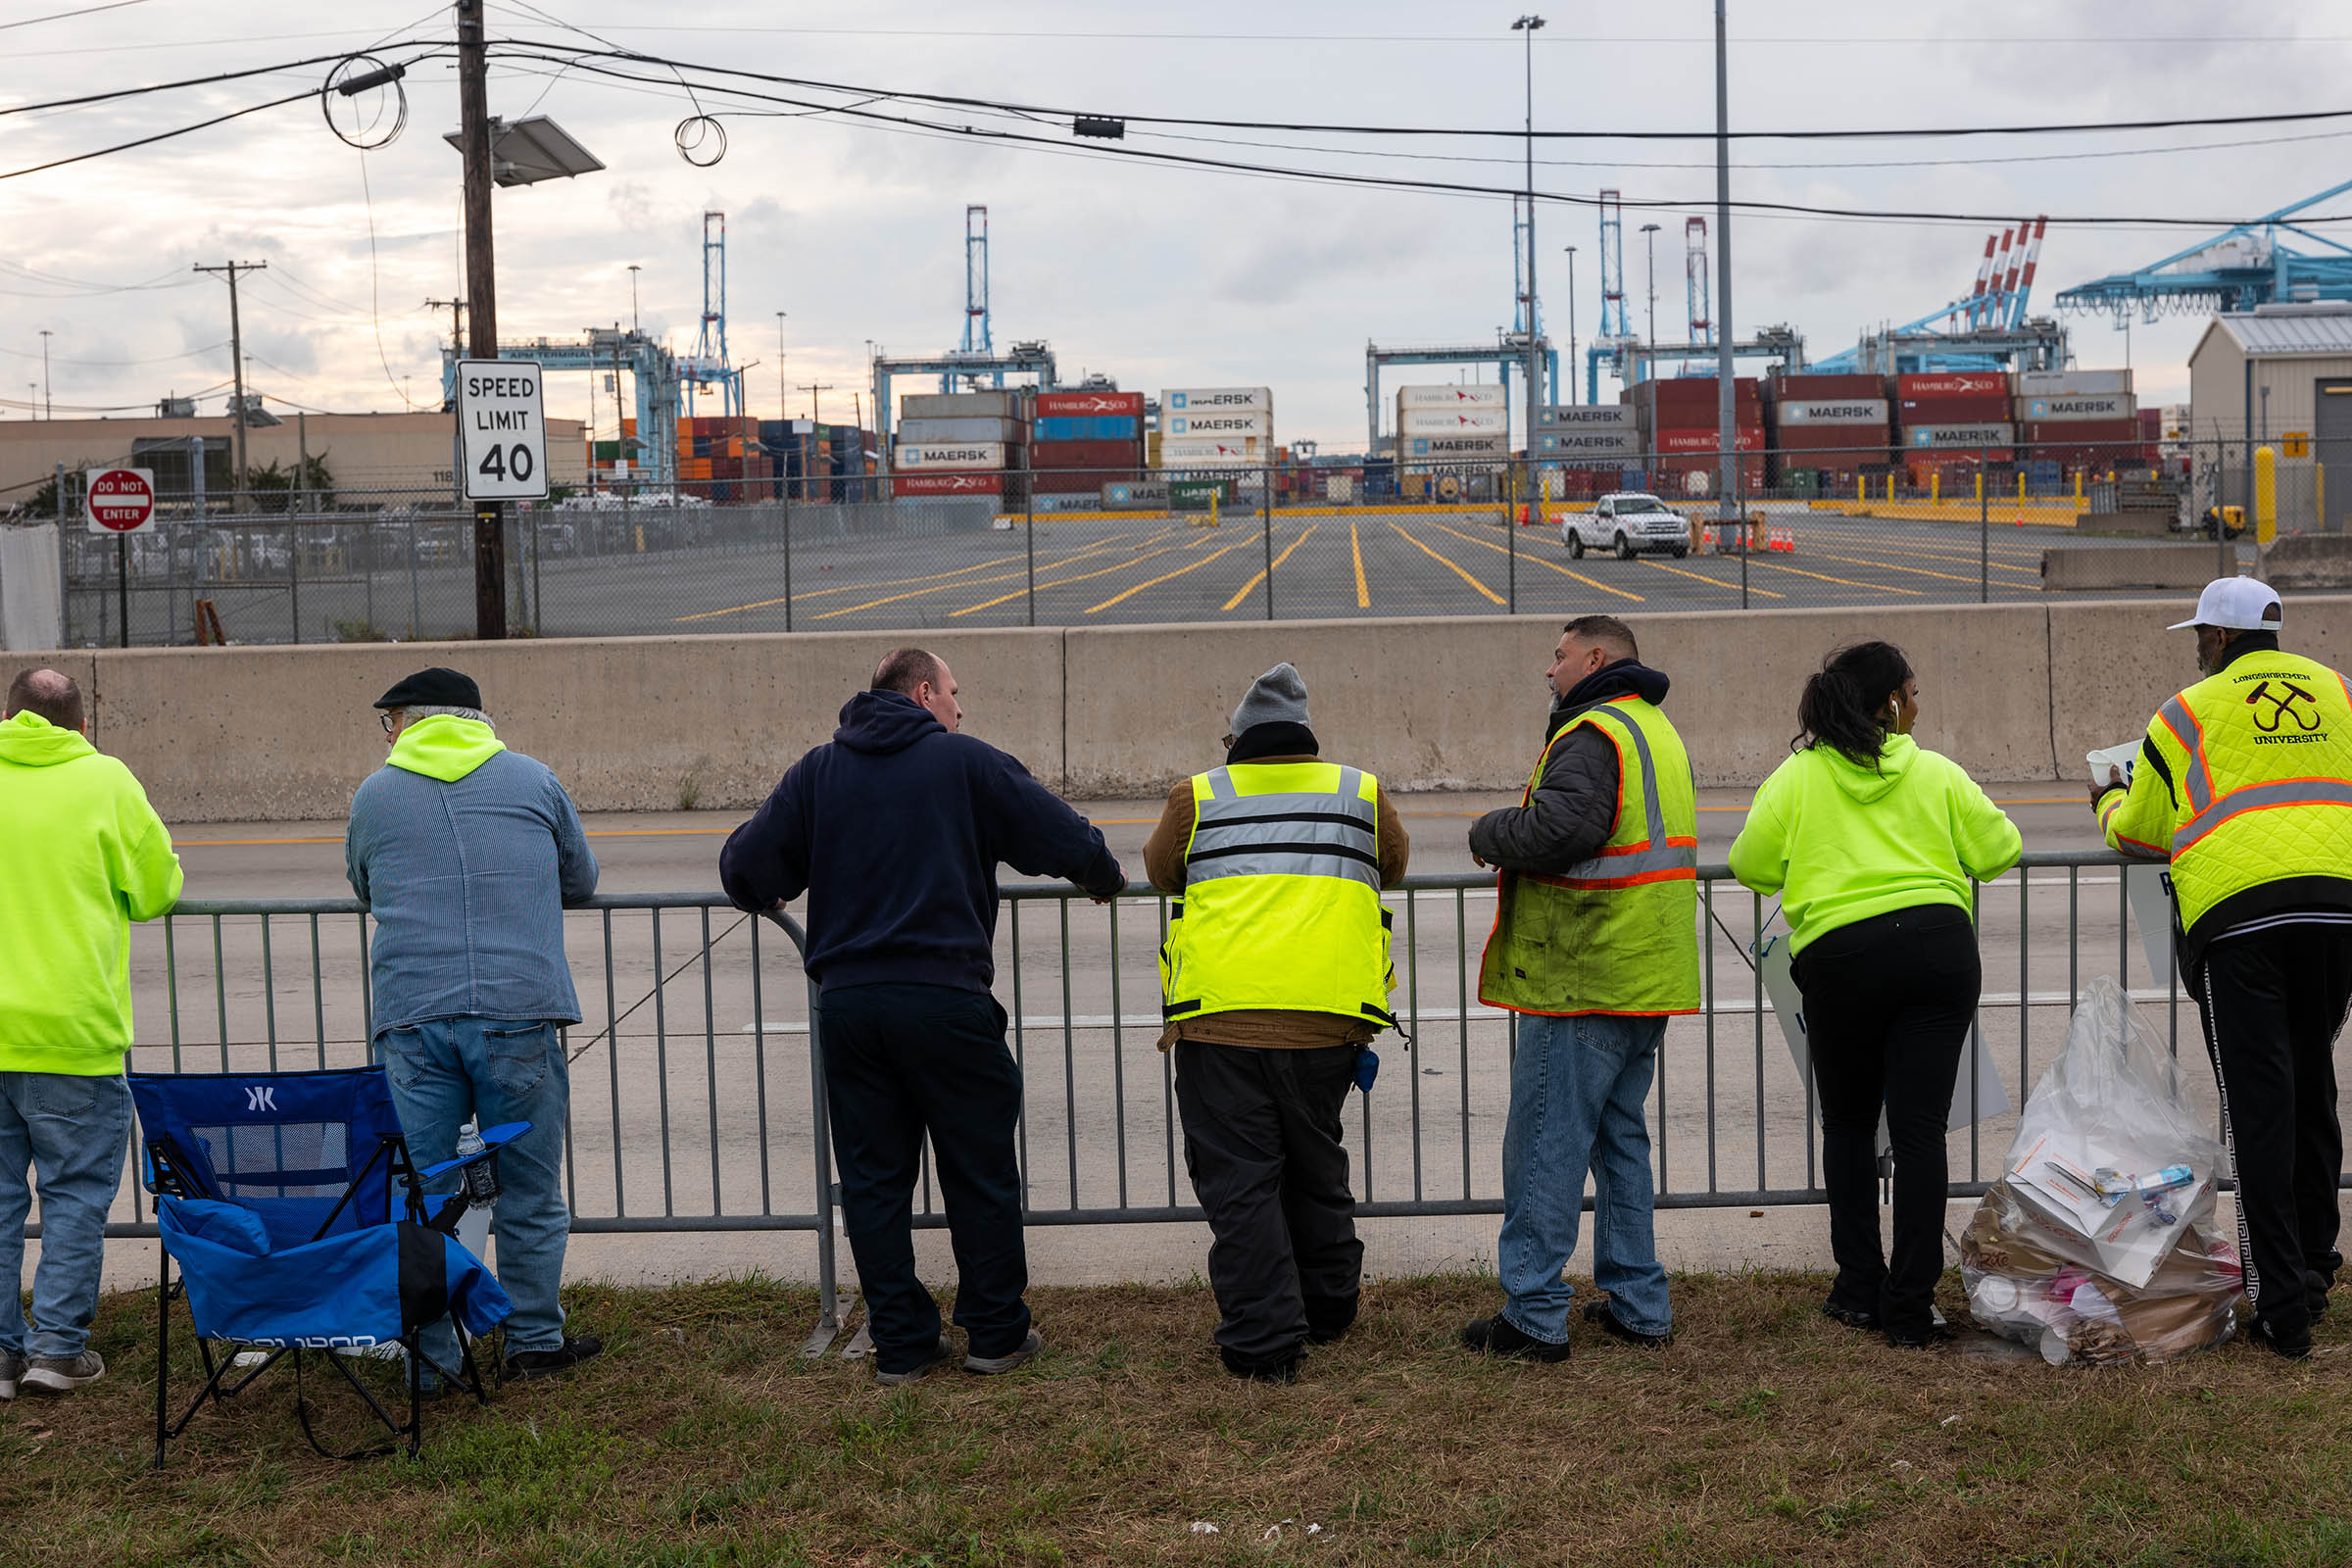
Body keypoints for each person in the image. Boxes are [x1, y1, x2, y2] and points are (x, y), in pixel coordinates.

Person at [721, 648, 1124, 1386]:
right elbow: (1060, 836)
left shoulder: (818, 770)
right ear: (925, 691)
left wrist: (763, 892)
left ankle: (903, 1343)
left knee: (874, 1180)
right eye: (955, 693)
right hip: (944, 998)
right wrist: (1103, 875)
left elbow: (745, 866)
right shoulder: (966, 763)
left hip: (850, 1006)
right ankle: (997, 1334)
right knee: (979, 1169)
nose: (961, 708)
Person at [1729, 642, 2021, 1349]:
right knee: (1920, 1131)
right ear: (1889, 703)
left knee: (1851, 1126)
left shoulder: (1796, 777)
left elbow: (1751, 866)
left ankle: (1858, 1288)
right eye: (1913, 694)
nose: (1919, 707)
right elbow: (1999, 850)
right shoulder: (1933, 770)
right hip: (1936, 949)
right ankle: (1911, 1305)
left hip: (1842, 960)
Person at [2094, 578, 2352, 1359]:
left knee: (2259, 1104)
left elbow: (2141, 833)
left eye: (2199, 636)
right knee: (2312, 1080)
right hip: (2337, 911)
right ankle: (2312, 1266)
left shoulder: (2185, 712)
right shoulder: (2340, 690)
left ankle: (2282, 1306)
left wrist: (2105, 800)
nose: (2196, 648)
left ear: (2217, 639)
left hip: (2241, 922)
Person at [1145, 662, 1408, 1383]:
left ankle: (1264, 1343)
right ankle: (1327, 1309)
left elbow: (1163, 872)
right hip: (1329, 1024)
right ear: (1305, 737)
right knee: (1315, 1167)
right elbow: (1393, 863)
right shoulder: (1359, 792)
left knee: (1242, 1181)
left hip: (1222, 1026)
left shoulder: (1196, 795)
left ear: (1238, 738)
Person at [345, 667, 602, 1383]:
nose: (387, 734)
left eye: (389, 720)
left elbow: (363, 884)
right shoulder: (533, 779)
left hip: (413, 1015)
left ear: (414, 721)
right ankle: (534, 1344)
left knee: (425, 1195)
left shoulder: (375, 794)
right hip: (517, 1013)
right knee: (526, 1188)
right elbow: (582, 879)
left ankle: (434, 1362)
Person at [1459, 616, 1698, 1363]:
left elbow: (1559, 828)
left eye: (1559, 656)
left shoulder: (1595, 732)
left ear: (1596, 658)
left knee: (1545, 1145)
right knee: (1619, 1140)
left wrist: (1487, 830)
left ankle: (1533, 1314)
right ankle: (1638, 1304)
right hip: (1641, 975)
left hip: (1585, 976)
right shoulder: (1651, 727)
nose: (1549, 670)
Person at [0, 668, 183, 1398]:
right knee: (74, 1196)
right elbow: (157, 890)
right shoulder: (105, 779)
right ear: (81, 726)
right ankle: (55, 1351)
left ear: (9, 717)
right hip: (73, 1035)